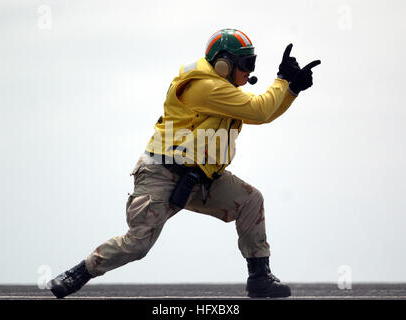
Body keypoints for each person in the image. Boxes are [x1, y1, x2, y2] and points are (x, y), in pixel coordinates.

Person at [48, 28, 320, 299]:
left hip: (199, 178)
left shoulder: (222, 90)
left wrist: (291, 90)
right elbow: (260, 110)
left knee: (250, 201)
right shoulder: (207, 88)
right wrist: (284, 81)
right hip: (161, 174)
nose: (249, 72)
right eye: (247, 64)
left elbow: (262, 114)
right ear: (224, 64)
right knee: (137, 244)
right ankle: (81, 272)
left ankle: (260, 278)